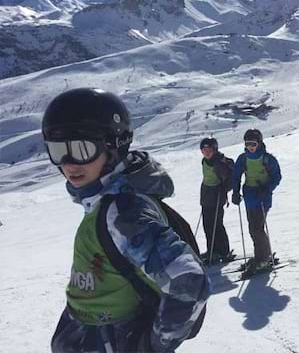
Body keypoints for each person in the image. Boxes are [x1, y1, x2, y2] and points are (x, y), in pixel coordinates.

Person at [44, 88, 209, 353]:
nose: (69, 163)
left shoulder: (122, 210)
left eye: (80, 149)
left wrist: (152, 346)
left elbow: (188, 280)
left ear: (113, 146)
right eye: (57, 150)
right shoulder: (103, 200)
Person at [231, 129, 282, 276]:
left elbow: (277, 177)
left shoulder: (267, 159)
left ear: (259, 143)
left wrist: (266, 189)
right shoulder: (243, 158)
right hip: (249, 197)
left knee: (256, 228)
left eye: (253, 144)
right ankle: (261, 255)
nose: (250, 147)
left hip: (263, 198)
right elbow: (236, 175)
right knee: (253, 228)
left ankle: (263, 258)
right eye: (247, 144)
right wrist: (235, 191)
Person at [199, 136, 235, 264]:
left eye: (208, 150)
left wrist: (224, 188)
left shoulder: (219, 162)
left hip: (217, 196)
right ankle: (213, 251)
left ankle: (224, 251)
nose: (206, 152)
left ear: (214, 149)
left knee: (217, 225)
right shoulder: (205, 161)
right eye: (203, 150)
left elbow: (231, 178)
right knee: (207, 225)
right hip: (206, 196)